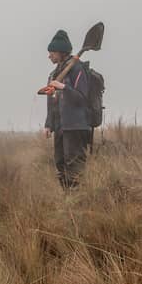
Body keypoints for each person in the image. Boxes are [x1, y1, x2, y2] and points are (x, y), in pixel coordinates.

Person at [43, 29, 92, 189]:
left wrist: (64, 87)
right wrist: (48, 124)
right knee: (60, 164)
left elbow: (82, 99)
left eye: (52, 52)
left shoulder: (77, 69)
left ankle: (78, 198)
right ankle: (67, 199)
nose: (49, 56)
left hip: (76, 126)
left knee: (75, 166)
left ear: (61, 52)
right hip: (60, 127)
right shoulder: (53, 74)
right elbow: (52, 102)